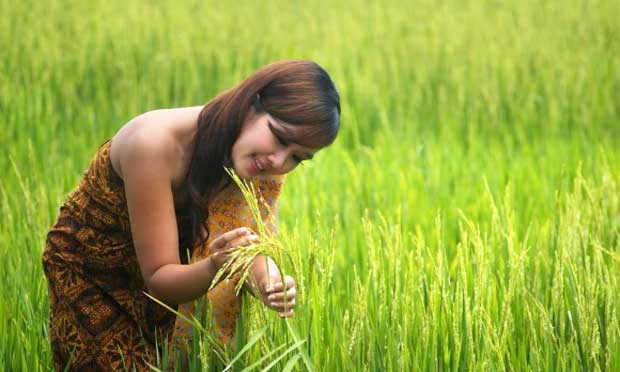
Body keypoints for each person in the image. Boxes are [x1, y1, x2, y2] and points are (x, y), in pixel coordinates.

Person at [42, 60, 341, 371]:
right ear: (251, 103)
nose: (279, 160)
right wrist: (214, 266)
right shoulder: (154, 145)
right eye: (279, 137)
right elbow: (159, 278)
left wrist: (271, 282)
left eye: (297, 157)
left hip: (180, 275)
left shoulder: (261, 162)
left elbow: (247, 247)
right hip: (94, 273)